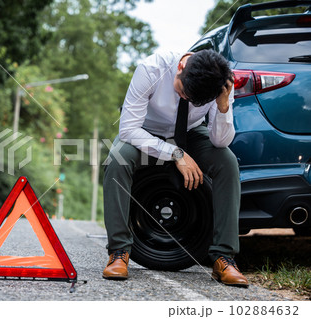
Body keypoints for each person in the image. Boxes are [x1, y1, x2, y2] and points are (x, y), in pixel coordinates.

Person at [102, 49, 248, 287]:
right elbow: (128, 129)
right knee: (117, 159)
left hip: (190, 133)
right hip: (145, 133)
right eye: (182, 92)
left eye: (194, 100)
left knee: (227, 163)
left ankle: (224, 257)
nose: (186, 100)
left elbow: (220, 141)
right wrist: (175, 153)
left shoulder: (220, 83)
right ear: (181, 66)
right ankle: (118, 252)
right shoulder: (151, 69)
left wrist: (223, 107)